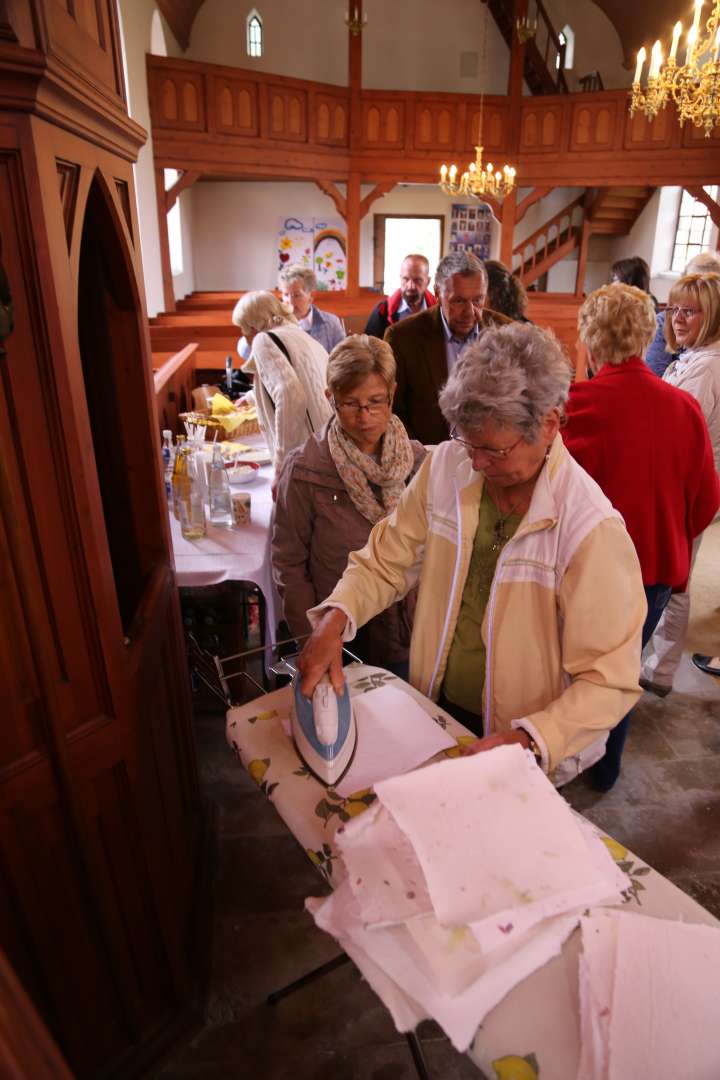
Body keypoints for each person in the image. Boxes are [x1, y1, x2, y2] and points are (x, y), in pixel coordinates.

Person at [297, 323, 646, 786]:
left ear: (548, 423)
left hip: (524, 738)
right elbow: (388, 558)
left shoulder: (588, 528)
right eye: (468, 441)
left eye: (492, 449)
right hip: (435, 707)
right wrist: (336, 618)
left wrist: (533, 738)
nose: (476, 462)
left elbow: (609, 680)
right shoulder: (448, 465)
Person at [564, 283, 719, 789]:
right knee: (622, 671)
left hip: (588, 572)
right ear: (645, 333)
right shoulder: (682, 407)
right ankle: (606, 770)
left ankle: (562, 761)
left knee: (571, 671)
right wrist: (671, 534)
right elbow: (706, 501)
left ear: (591, 336)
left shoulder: (576, 403)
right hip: (655, 573)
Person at [272, 335, 425, 673]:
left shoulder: (418, 463)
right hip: (338, 638)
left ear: (393, 393)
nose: (365, 417)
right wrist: (312, 637)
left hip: (407, 630)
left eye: (376, 401)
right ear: (331, 399)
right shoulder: (306, 470)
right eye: (351, 404)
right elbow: (289, 564)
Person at [641, 271, 720, 696]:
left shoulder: (706, 366)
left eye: (689, 311)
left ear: (712, 315)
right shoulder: (694, 356)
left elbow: (676, 431)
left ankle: (660, 670)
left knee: (676, 579)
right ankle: (658, 665)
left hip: (689, 488)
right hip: (684, 482)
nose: (677, 319)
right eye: (673, 309)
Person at [386, 251, 489, 445]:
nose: (469, 312)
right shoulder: (402, 338)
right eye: (458, 301)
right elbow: (392, 410)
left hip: (490, 459)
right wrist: (417, 456)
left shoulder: (504, 333)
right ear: (437, 293)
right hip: (426, 458)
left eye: (477, 300)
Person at [232, 291, 332, 474]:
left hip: (305, 456)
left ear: (252, 327)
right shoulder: (297, 333)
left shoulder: (263, 339)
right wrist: (252, 397)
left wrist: (282, 462)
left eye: (242, 328)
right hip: (327, 443)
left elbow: (291, 395)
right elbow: (301, 379)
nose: (244, 336)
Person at [646, 251, 720, 377]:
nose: (699, 292)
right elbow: (656, 375)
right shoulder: (665, 321)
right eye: (692, 283)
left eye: (708, 286)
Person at [364, 254, 435, 339]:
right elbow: (367, 349)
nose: (410, 286)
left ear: (428, 281)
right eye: (406, 279)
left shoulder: (439, 311)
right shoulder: (383, 311)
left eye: (417, 280)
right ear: (400, 278)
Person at [279, 265, 346, 353]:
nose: (290, 301)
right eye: (286, 294)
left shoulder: (331, 323)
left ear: (311, 296)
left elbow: (343, 358)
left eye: (297, 295)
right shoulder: (278, 325)